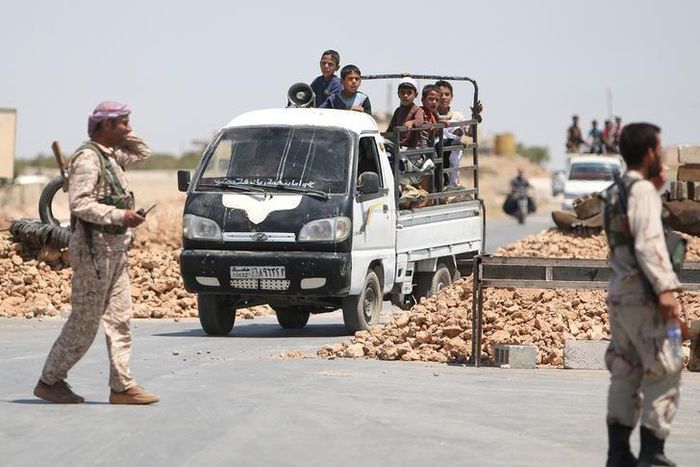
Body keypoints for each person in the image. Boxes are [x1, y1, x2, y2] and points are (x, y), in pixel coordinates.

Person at [33, 101, 159, 405]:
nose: (129, 128)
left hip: (116, 251)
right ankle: (50, 380)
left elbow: (143, 152)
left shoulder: (112, 156)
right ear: (105, 126)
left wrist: (123, 133)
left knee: (120, 319)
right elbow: (80, 205)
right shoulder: (89, 159)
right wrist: (121, 217)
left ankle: (122, 387)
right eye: (123, 122)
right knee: (85, 323)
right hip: (94, 252)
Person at [601, 123, 684, 467]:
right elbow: (649, 243)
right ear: (650, 152)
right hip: (645, 295)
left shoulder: (614, 191)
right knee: (665, 367)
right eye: (659, 148)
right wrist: (666, 290)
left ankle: (618, 454)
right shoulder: (644, 194)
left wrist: (654, 188)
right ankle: (652, 453)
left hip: (620, 294)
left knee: (626, 370)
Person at [434, 80, 483, 186]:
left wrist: (474, 116)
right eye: (440, 94)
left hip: (453, 163)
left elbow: (469, 133)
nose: (444, 97)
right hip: (436, 160)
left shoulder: (457, 116)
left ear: (451, 97)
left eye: (447, 94)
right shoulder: (431, 115)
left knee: (452, 185)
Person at [385, 77, 420, 145]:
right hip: (398, 145)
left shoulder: (417, 110)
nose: (405, 95)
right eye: (402, 92)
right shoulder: (398, 111)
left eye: (409, 93)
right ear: (398, 94)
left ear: (415, 95)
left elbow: (419, 121)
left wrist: (412, 122)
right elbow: (390, 129)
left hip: (412, 148)